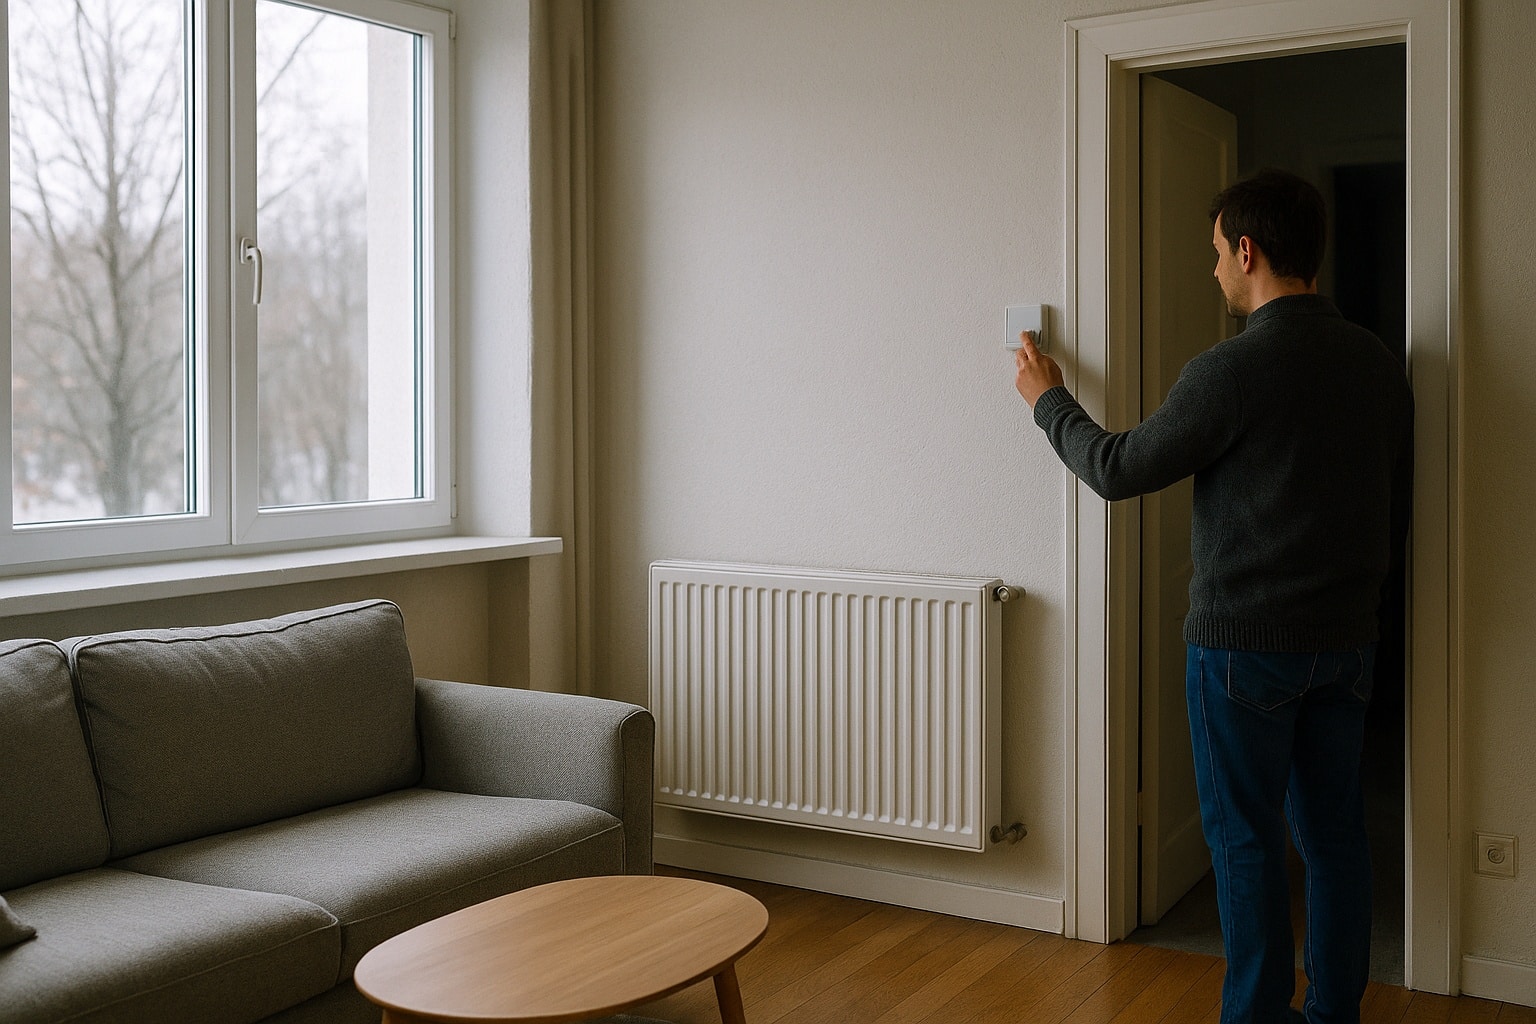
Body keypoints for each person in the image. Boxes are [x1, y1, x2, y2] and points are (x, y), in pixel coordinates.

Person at [1012, 169, 1413, 1024]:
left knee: (1245, 844)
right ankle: (1332, 1013)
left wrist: (1047, 400)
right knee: (1337, 841)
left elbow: (1116, 468)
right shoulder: (1379, 365)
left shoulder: (1229, 370)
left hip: (1243, 650)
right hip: (1348, 641)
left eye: (1216, 254)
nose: (1215, 273)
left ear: (1248, 249)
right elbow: (1397, 505)